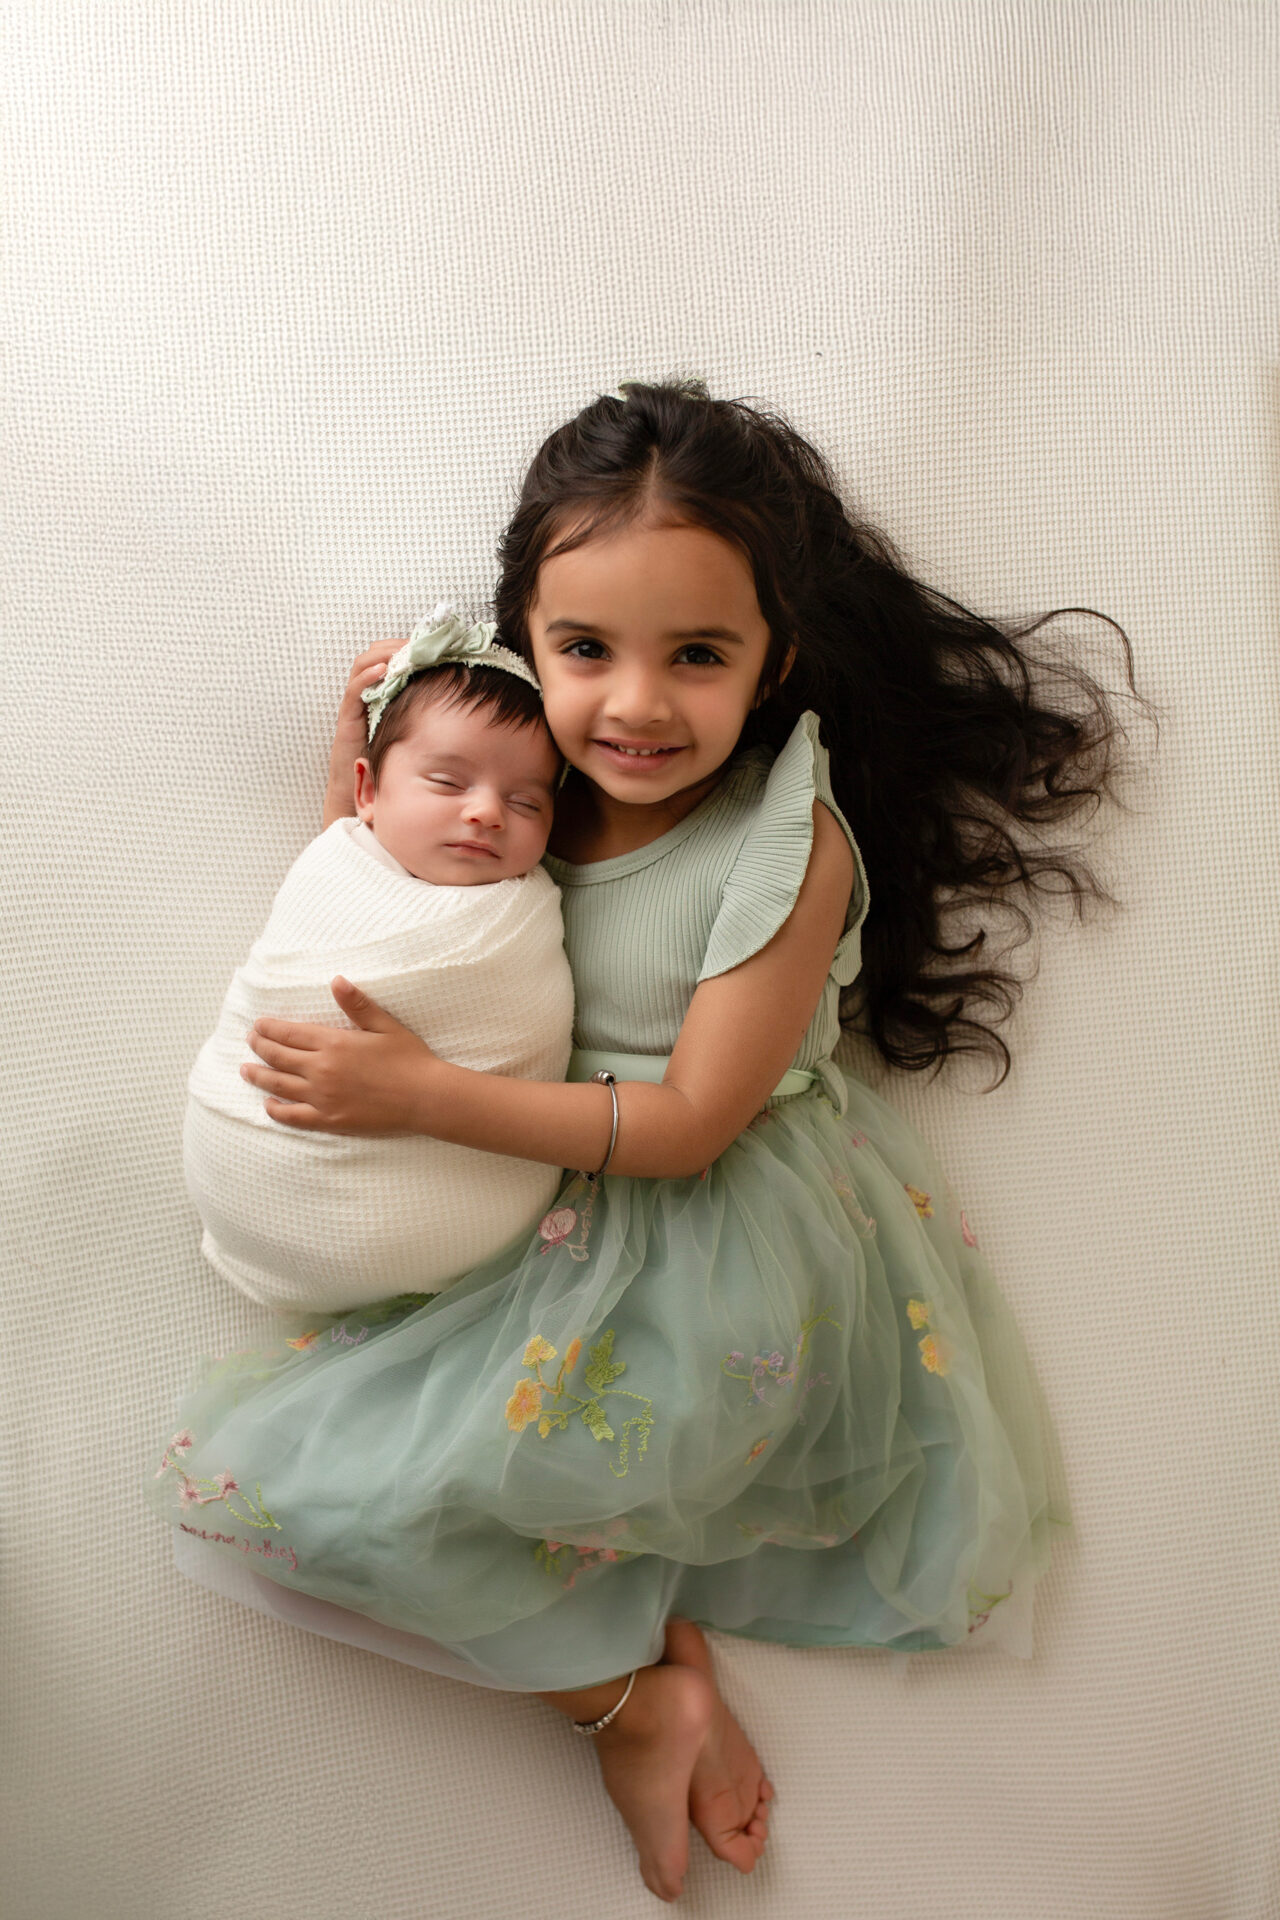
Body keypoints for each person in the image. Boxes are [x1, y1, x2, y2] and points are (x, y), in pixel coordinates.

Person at [144, 377, 1147, 1904]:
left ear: (774, 659)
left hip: (702, 1228)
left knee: (400, 1484)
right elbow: (386, 918)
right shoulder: (516, 785)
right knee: (321, 1495)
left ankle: (625, 1696)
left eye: (698, 656)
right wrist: (373, 757)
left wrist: (419, 1098)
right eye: (585, 651)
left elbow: (685, 1124)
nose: (636, 707)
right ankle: (636, 1687)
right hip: (518, 1205)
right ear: (527, 639)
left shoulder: (783, 842)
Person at [182, 605, 574, 1312]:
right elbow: (346, 838)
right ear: (366, 790)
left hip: (451, 1210)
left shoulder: (519, 909)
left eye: (526, 803)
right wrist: (347, 743)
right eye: (448, 783)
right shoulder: (344, 859)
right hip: (248, 1165)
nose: (487, 812)